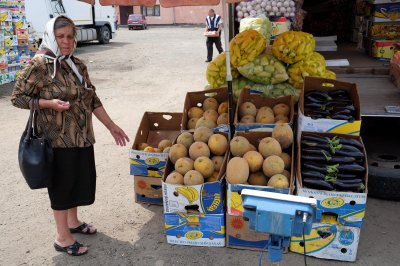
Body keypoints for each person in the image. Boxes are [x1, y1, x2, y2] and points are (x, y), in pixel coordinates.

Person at [11, 15, 129, 256]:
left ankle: (73, 223)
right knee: (63, 186)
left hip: (81, 136)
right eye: (60, 36)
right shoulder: (40, 65)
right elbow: (18, 98)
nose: (66, 41)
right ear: (51, 37)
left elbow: (92, 99)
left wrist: (111, 126)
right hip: (56, 138)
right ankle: (61, 237)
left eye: (70, 36)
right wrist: (47, 103)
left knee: (77, 180)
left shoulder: (76, 64)